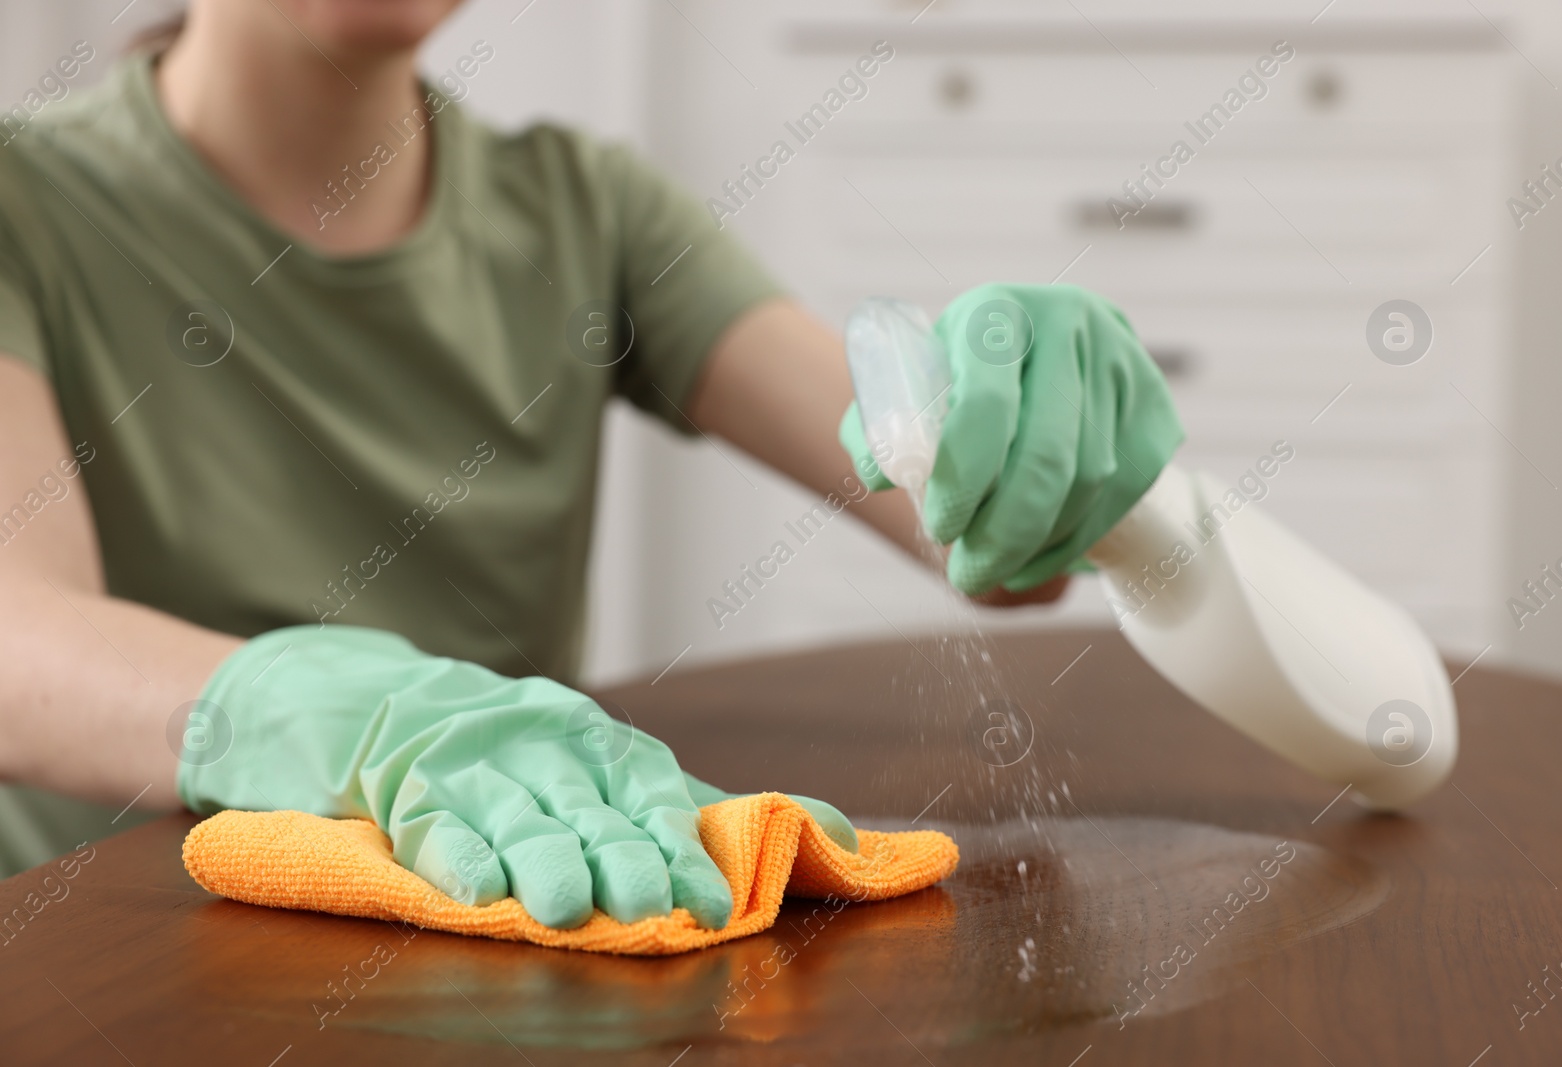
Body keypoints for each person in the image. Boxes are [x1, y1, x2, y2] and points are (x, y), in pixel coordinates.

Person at [0, 0, 1181, 927]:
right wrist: (342, 720)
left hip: (507, 938)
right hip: (114, 952)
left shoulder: (588, 215)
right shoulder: (29, 204)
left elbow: (966, 528)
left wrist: (1023, 430)